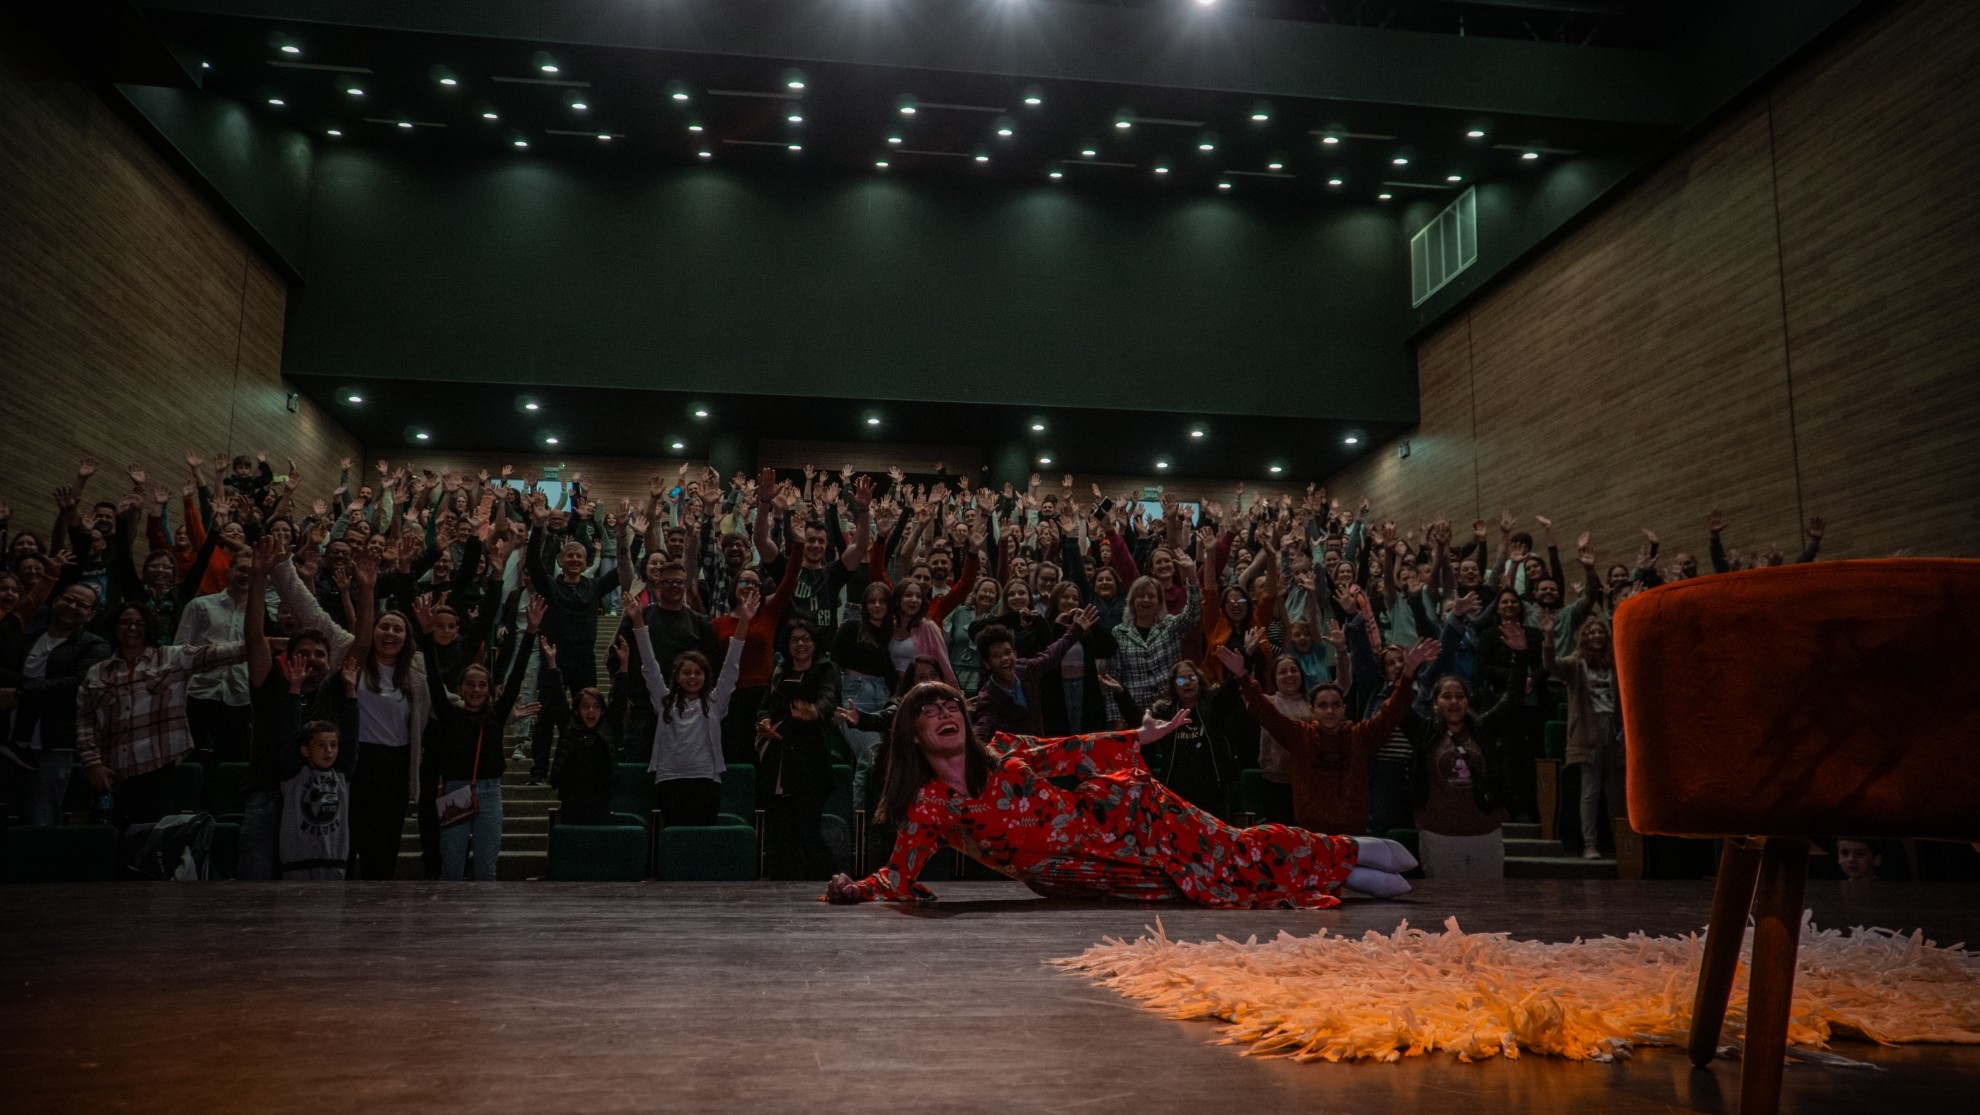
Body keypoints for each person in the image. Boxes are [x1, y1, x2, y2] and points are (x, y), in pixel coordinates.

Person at [823, 683, 1419, 906]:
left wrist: (1142, 735)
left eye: (949, 703)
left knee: (1232, 856)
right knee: (1220, 888)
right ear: (913, 733)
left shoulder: (1003, 753)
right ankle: (1349, 866)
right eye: (927, 711)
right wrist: (856, 888)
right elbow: (898, 873)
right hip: (1097, 874)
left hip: (1130, 816)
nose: (943, 712)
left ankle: (1356, 852)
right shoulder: (931, 807)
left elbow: (1071, 750)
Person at [1219, 638, 1438, 837]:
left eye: (1335, 705)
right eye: (1323, 706)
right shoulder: (1299, 734)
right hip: (1311, 835)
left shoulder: (1360, 736)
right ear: (1312, 710)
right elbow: (1266, 712)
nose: (1330, 711)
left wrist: (1408, 674)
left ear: (1344, 709)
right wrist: (1242, 677)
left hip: (1353, 834)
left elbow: (1393, 712)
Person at [74, 601, 247, 830]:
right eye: (125, 622)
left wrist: (266, 643)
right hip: (111, 775)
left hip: (158, 770)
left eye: (139, 623)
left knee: (151, 843)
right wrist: (92, 764)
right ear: (115, 627)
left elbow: (220, 653)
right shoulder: (98, 672)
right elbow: (85, 722)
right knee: (111, 843)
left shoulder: (171, 658)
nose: (132, 628)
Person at [420, 592, 539, 882]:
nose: (475, 690)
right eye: (470, 685)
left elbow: (515, 677)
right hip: (454, 791)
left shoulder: (495, 716)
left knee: (486, 868)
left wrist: (531, 633)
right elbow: (433, 679)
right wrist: (425, 634)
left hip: (489, 791)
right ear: (460, 689)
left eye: (481, 685)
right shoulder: (449, 714)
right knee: (452, 866)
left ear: (488, 690)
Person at [634, 585, 752, 827]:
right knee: (675, 836)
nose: (692, 677)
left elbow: (731, 666)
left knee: (701, 837)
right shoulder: (664, 700)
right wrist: (637, 620)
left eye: (697, 673)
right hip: (670, 778)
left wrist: (744, 623)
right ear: (677, 676)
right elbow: (649, 665)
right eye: (686, 673)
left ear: (705, 677)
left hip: (705, 778)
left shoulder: (715, 701)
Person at [1412, 668, 1527, 881]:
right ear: (1435, 703)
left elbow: (1512, 699)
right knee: (1447, 907)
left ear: (1468, 702)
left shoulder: (1482, 728)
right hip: (1439, 835)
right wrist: (1409, 671)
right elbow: (1397, 709)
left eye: (1460, 696)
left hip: (1485, 833)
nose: (1454, 701)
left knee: (1487, 905)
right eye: (1447, 697)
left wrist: (1519, 656)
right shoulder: (1424, 731)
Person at [755, 618, 842, 879]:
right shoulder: (780, 671)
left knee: (808, 835)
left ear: (815, 643)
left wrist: (814, 711)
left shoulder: (826, 669)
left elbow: (828, 699)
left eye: (806, 639)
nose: (800, 644)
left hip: (809, 762)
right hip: (778, 760)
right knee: (781, 837)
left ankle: (834, 883)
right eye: (795, 640)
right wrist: (764, 720)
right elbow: (764, 705)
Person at [1540, 610, 1622, 858]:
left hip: (1615, 731)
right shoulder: (1576, 664)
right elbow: (1551, 665)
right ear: (1583, 638)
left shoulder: (1616, 663)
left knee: (1615, 791)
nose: (1596, 635)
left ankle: (1622, 845)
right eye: (1591, 632)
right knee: (1591, 790)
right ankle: (1590, 844)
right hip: (1588, 730)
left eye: (1600, 632)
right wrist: (1548, 638)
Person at [276, 660, 356, 881]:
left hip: (334, 861)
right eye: (320, 745)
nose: (328, 751)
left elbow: (351, 739)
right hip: (297, 863)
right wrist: (294, 689)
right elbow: (288, 733)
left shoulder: (341, 775)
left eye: (333, 745)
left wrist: (350, 692)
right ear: (305, 750)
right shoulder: (295, 774)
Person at [970, 607, 1097, 739]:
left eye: (1008, 653)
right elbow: (982, 729)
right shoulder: (988, 698)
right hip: (1011, 757)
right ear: (987, 663)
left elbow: (1052, 653)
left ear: (1015, 654)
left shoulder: (1027, 670)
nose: (1005, 659)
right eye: (996, 656)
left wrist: (1076, 629)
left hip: (1039, 750)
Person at [541, 640, 613, 826]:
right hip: (572, 797)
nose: (591, 711)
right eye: (586, 707)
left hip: (600, 798)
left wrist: (624, 667)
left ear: (602, 711)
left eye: (596, 707)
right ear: (577, 710)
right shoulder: (570, 726)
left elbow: (619, 701)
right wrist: (552, 664)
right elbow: (558, 697)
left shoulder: (607, 729)